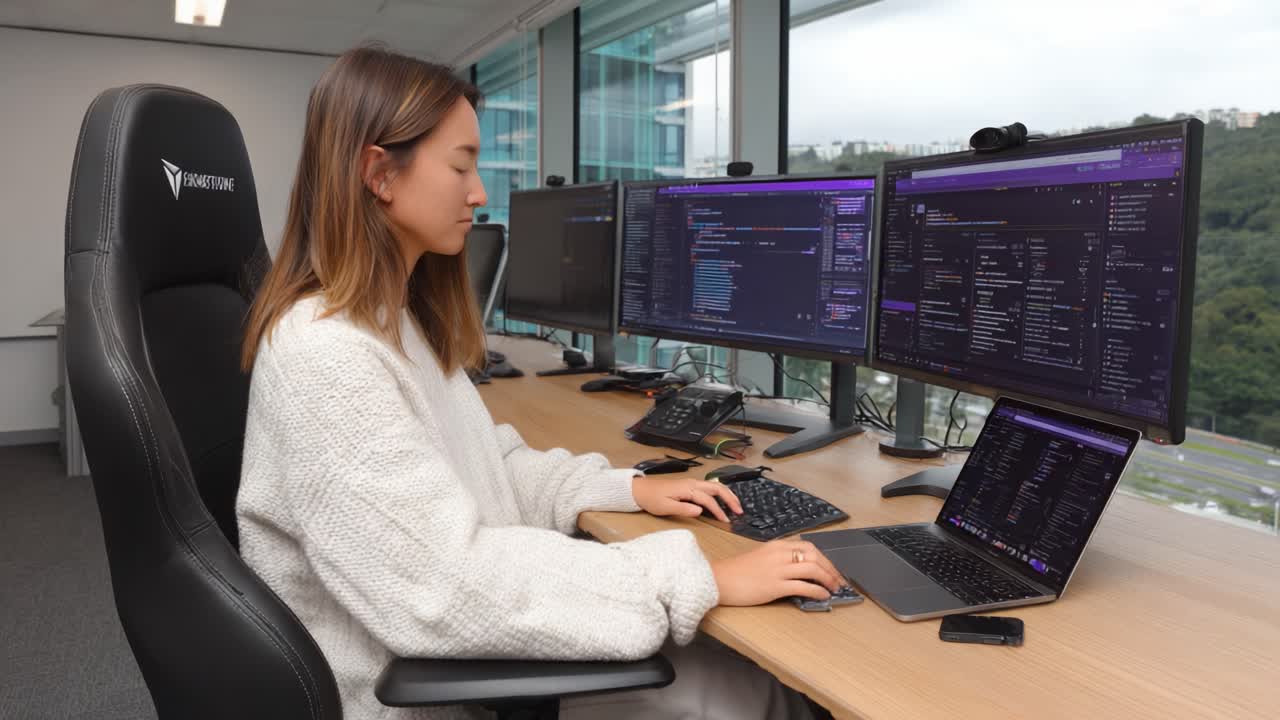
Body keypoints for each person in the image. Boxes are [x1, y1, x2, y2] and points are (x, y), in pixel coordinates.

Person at [237, 45, 844, 720]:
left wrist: (628, 488)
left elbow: (491, 469)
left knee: (746, 664)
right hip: (419, 691)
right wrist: (700, 577)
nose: (479, 192)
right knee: (767, 695)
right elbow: (440, 589)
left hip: (455, 655)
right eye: (461, 164)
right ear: (380, 172)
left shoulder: (389, 323)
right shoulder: (326, 355)